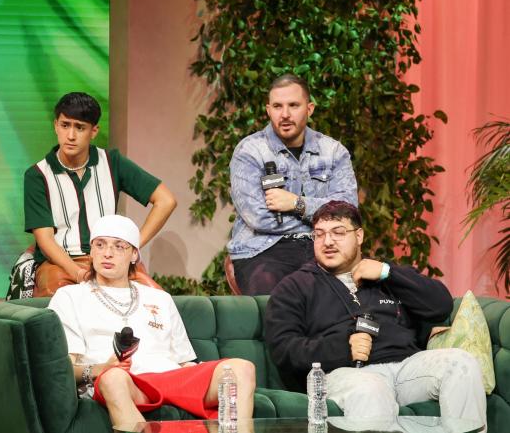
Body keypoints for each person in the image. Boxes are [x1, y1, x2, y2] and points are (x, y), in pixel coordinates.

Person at [265, 201, 486, 430]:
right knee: (370, 388)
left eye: (338, 232)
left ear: (359, 236)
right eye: (319, 234)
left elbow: (441, 305)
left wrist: (388, 273)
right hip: (346, 374)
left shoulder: (385, 274)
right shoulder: (295, 287)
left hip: (406, 368)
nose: (328, 241)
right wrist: (343, 348)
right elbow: (284, 349)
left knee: (462, 364)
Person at [49, 215, 255, 431]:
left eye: (119, 246)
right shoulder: (70, 297)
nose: (107, 253)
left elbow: (184, 361)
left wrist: (201, 377)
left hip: (169, 377)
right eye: (100, 245)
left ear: (134, 254)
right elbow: (62, 367)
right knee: (113, 379)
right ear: (91, 251)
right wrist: (101, 368)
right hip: (123, 382)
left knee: (241, 369)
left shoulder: (159, 298)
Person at [23, 92, 176, 297]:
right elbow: (45, 240)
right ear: (56, 125)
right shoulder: (37, 175)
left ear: (94, 131)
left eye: (80, 127)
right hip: (61, 263)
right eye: (65, 125)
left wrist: (132, 246)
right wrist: (78, 273)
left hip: (111, 259)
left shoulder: (112, 162)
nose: (71, 135)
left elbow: (166, 201)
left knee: (155, 299)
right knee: (60, 300)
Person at [228, 74, 358, 295]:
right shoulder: (249, 151)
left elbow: (348, 211)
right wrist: (321, 222)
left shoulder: (333, 151)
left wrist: (297, 204)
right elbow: (258, 217)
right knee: (279, 298)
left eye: (293, 105)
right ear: (268, 110)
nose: (285, 114)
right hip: (264, 250)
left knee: (362, 293)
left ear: (309, 109)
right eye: (277, 106)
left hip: (323, 247)